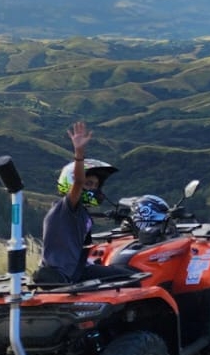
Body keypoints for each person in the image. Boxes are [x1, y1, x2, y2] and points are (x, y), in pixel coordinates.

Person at [38, 121, 137, 285]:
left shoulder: (78, 212)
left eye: (96, 185)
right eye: (89, 184)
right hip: (66, 272)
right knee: (133, 279)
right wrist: (79, 152)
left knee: (119, 273)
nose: (94, 189)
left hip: (73, 268)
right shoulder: (67, 206)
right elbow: (78, 182)